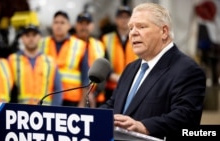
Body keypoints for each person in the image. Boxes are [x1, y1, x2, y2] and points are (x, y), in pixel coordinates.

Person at [100, 2, 206, 140]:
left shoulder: (187, 70)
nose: (133, 33)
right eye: (131, 28)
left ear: (164, 31)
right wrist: (90, 117)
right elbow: (114, 104)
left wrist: (144, 127)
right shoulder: (131, 68)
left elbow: (186, 118)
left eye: (141, 26)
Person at [39, 11, 90, 107]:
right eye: (56, 22)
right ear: (52, 25)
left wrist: (82, 104)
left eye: (62, 23)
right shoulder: (42, 44)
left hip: (71, 100)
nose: (59, 26)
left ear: (69, 26)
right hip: (47, 98)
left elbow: (85, 79)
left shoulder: (79, 45)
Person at [8, 24, 63, 106]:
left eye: (34, 35)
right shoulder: (12, 60)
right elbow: (7, 88)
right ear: (22, 38)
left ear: (40, 37)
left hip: (45, 112)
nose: (31, 38)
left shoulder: (50, 62)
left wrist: (54, 111)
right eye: (27, 35)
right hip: (21, 113)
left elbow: (58, 90)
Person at [101, 6, 138, 102]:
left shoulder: (139, 38)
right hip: (112, 88)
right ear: (116, 19)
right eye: (121, 17)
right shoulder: (106, 39)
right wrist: (113, 76)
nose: (124, 20)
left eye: (127, 17)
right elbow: (103, 63)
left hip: (134, 87)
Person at [74, 11, 106, 107]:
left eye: (87, 24)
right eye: (81, 23)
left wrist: (94, 94)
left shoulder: (99, 45)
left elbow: (104, 73)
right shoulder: (69, 43)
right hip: (72, 98)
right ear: (76, 25)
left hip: (94, 97)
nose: (84, 27)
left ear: (92, 26)